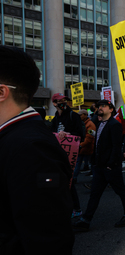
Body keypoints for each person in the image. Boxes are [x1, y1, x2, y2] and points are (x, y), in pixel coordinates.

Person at [0, 45, 74, 254]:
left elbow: (48, 241)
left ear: (2, 91)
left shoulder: (31, 149)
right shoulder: (17, 139)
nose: (59, 105)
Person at [73, 100, 125, 231]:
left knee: (121, 191)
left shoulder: (115, 124)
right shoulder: (99, 123)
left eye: (103, 106)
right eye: (99, 106)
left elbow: (116, 146)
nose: (100, 108)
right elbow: (97, 143)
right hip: (99, 166)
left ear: (111, 109)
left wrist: (111, 164)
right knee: (95, 193)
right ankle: (86, 220)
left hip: (110, 166)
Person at [73, 109, 96, 184]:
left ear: (85, 115)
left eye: (80, 115)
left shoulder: (90, 125)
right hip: (82, 147)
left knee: (92, 163)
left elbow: (89, 138)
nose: (79, 116)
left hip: (87, 148)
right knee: (79, 162)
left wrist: (80, 145)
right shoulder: (81, 123)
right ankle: (74, 178)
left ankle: (96, 178)